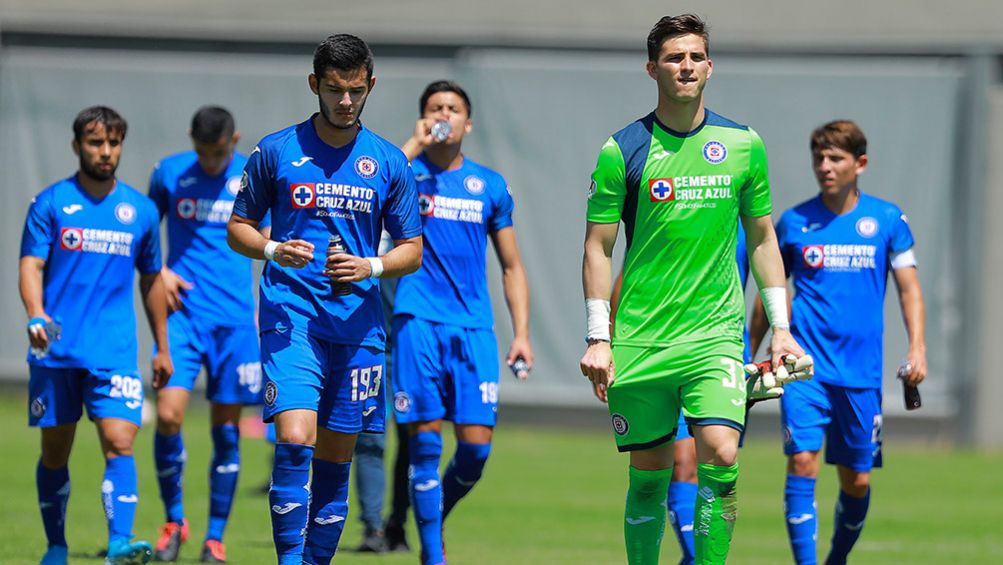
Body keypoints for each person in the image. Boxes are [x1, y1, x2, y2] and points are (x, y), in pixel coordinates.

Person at [578, 14, 805, 564]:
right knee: (650, 478)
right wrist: (598, 337)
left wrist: (780, 329)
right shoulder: (621, 150)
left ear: (710, 66)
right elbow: (596, 248)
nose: (687, 66)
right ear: (652, 67)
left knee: (723, 456)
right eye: (675, 57)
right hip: (641, 339)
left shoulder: (744, 144)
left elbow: (762, 239)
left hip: (715, 336)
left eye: (696, 56)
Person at [227, 33, 423, 564]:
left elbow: (413, 250)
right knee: (295, 440)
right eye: (334, 90)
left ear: (370, 86)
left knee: (337, 460)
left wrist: (370, 266)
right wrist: (272, 248)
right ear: (314, 84)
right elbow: (237, 228)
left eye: (356, 91)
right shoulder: (276, 151)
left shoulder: (388, 162)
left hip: (359, 328)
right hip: (292, 316)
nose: (345, 102)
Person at [751, 120, 927, 565]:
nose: (825, 167)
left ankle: (836, 559)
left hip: (861, 375)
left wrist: (917, 348)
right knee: (803, 462)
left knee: (857, 481)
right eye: (819, 158)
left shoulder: (887, 220)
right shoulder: (793, 223)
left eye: (836, 158)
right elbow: (772, 292)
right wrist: (748, 350)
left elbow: (909, 288)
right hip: (804, 368)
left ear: (860, 164)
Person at [20, 106, 172, 565]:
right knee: (55, 452)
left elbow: (151, 280)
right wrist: (35, 314)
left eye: (113, 143)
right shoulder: (50, 204)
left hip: (115, 352)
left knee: (120, 443)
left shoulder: (141, 212)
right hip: (57, 351)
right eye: (95, 142)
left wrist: (162, 346)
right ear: (77, 146)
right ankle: (56, 546)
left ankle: (119, 543)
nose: (105, 152)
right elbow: (31, 264)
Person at [392, 79, 533, 565]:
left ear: (468, 123)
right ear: (423, 118)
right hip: (419, 321)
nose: (444, 114)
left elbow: (512, 266)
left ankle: (433, 516)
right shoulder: (404, 174)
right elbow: (372, 189)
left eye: (452, 108)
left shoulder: (489, 185)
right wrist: (414, 144)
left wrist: (521, 334)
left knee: (474, 450)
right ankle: (433, 554)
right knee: (424, 441)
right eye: (435, 107)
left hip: (473, 328)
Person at [147, 106, 268, 563]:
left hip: (236, 322)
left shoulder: (252, 175)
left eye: (219, 153)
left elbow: (270, 233)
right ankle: (174, 521)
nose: (212, 162)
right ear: (190, 141)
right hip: (182, 317)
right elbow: (142, 231)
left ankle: (214, 537)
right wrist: (158, 271)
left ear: (235, 140)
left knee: (227, 430)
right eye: (204, 152)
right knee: (170, 415)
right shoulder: (170, 173)